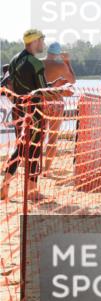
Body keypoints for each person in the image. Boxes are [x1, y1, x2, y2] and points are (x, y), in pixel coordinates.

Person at [1, 29, 71, 202]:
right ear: (35, 41)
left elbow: (32, 86)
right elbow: (43, 93)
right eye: (42, 40)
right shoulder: (36, 63)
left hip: (18, 111)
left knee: (21, 148)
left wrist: (53, 84)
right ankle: (32, 191)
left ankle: (5, 185)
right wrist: (62, 91)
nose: (43, 44)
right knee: (33, 150)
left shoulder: (15, 59)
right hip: (34, 113)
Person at [41, 42, 76, 171]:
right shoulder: (60, 66)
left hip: (41, 101)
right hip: (56, 103)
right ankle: (47, 170)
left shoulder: (38, 63)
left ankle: (36, 168)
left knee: (38, 137)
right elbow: (73, 80)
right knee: (52, 138)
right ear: (58, 54)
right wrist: (67, 62)